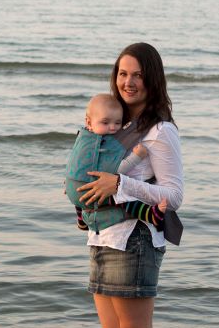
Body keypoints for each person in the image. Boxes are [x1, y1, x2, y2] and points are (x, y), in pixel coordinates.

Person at [77, 43, 183, 328]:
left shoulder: (160, 130)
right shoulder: (113, 124)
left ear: (152, 79)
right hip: (103, 235)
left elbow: (175, 195)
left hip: (135, 239)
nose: (129, 82)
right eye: (123, 74)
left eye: (138, 75)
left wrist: (120, 184)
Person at [70, 94, 169, 232]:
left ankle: (81, 219)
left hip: (75, 191)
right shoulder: (103, 144)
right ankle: (150, 214)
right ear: (88, 122)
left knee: (83, 191)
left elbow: (73, 162)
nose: (112, 128)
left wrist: (71, 181)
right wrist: (137, 156)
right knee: (122, 197)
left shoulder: (83, 138)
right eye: (105, 123)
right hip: (89, 192)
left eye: (117, 123)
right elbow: (115, 169)